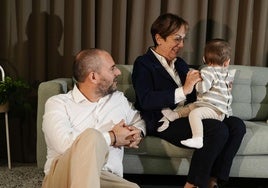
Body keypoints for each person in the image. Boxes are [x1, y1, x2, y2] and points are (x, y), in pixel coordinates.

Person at [132, 13, 246, 188]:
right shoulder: (143, 63)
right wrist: (183, 90)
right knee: (218, 130)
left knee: (237, 125)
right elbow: (146, 99)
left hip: (189, 113)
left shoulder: (180, 63)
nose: (181, 45)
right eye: (177, 39)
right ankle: (192, 184)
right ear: (159, 38)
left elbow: (199, 90)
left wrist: (220, 85)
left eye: (183, 39)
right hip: (164, 120)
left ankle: (213, 180)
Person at [42, 48, 146, 188]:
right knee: (92, 136)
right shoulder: (58, 103)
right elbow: (63, 144)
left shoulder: (118, 100)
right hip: (66, 175)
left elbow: (139, 120)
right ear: (93, 77)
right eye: (112, 69)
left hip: (105, 177)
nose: (118, 72)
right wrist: (112, 137)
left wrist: (137, 132)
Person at [161, 39, 237, 149]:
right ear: (227, 62)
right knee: (191, 107)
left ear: (204, 59)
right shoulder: (228, 74)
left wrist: (196, 82)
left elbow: (202, 89)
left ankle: (197, 138)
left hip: (213, 110)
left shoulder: (208, 71)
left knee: (195, 113)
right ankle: (174, 115)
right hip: (220, 110)